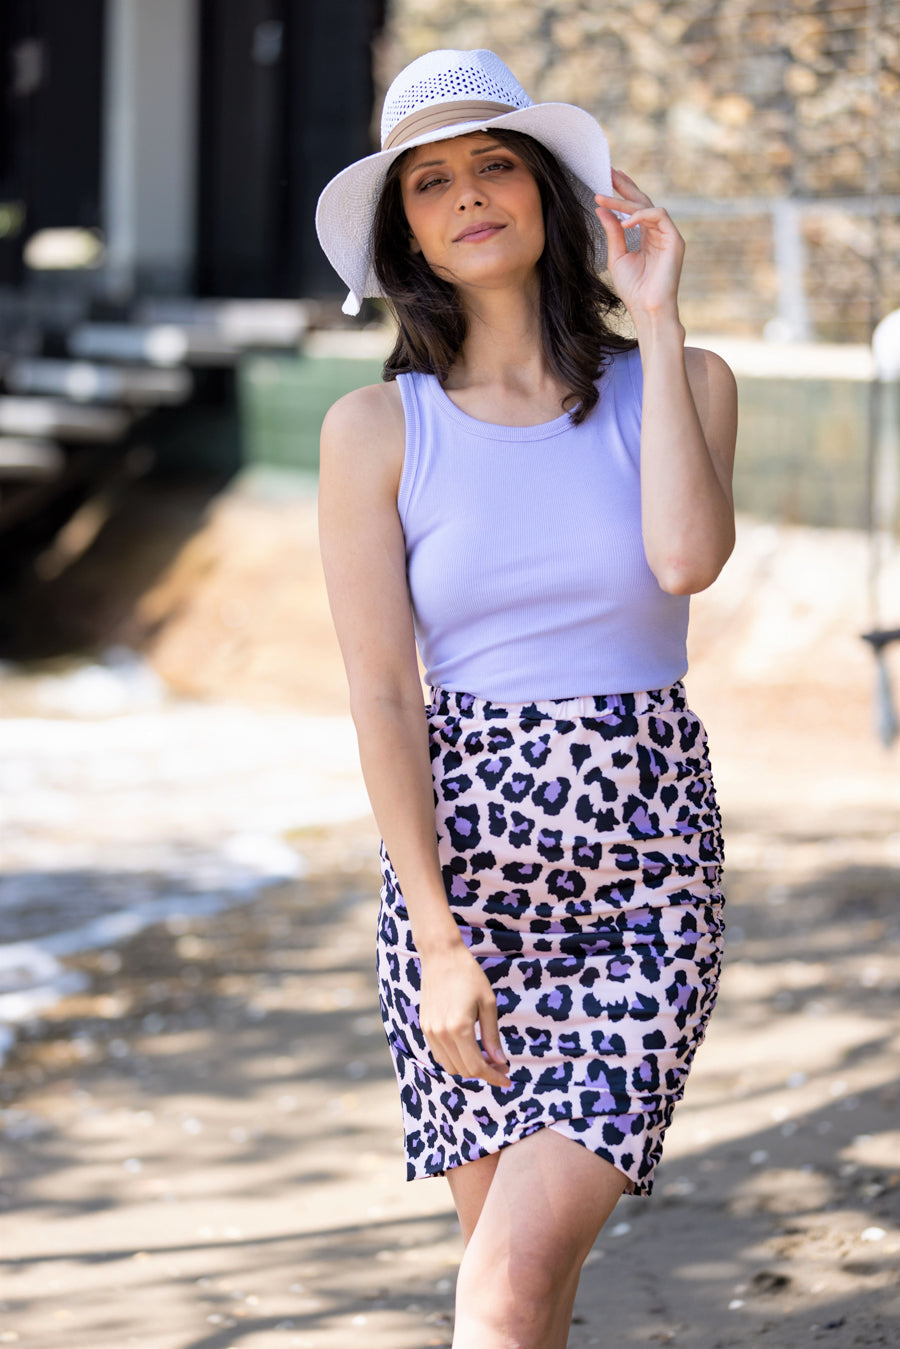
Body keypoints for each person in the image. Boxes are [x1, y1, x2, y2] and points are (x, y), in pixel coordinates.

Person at [316, 47, 737, 1349]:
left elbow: (684, 560)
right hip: (465, 895)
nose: (467, 194)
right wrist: (438, 941)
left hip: (644, 879)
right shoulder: (374, 431)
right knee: (521, 1288)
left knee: (499, 1290)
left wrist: (656, 315)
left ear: (553, 190)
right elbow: (385, 695)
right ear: (409, 239)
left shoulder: (685, 381)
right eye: (430, 183)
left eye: (496, 162)